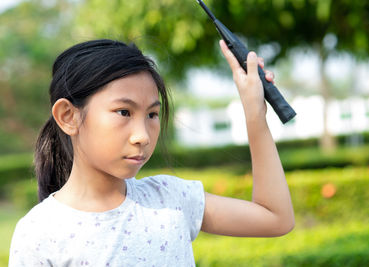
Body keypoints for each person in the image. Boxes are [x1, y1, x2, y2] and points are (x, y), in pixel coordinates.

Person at [8, 38, 294, 266]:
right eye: (124, 112)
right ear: (68, 116)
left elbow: (275, 218)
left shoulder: (170, 199)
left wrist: (254, 112)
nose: (142, 136)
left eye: (152, 115)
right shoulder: (39, 233)